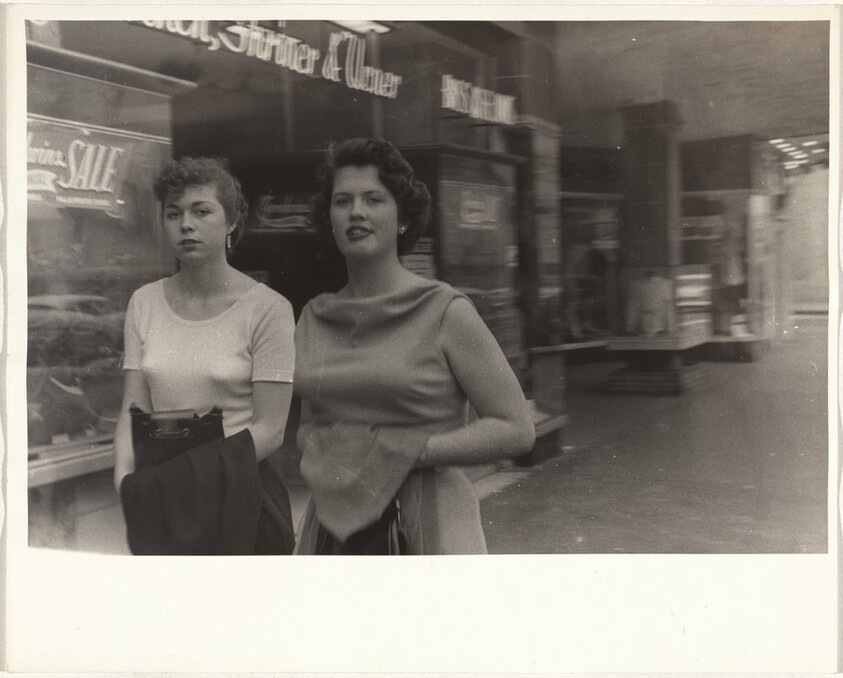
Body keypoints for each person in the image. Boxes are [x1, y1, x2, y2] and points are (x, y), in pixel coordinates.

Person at [294, 138, 536, 555]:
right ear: (329, 219)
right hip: (333, 528)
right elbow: (308, 429)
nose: (356, 212)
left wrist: (410, 451)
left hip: (429, 523)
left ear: (403, 217)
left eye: (374, 199)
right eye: (342, 201)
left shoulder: (445, 311)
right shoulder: (314, 317)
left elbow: (516, 428)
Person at [112, 156, 295, 554]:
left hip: (242, 499)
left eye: (201, 211)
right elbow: (133, 410)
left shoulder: (268, 309)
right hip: (161, 503)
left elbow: (271, 428)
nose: (186, 224)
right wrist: (125, 480)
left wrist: (183, 479)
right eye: (173, 213)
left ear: (231, 222)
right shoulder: (144, 303)